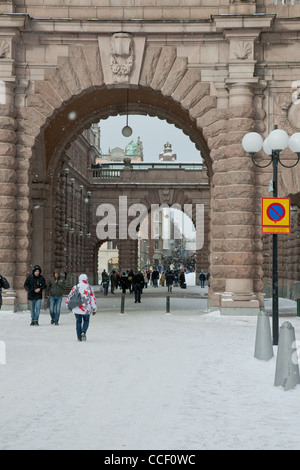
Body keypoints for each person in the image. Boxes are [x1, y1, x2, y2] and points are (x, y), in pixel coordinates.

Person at [66, 274, 97, 342]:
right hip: (86, 308)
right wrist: (94, 308)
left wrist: (68, 305)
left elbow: (70, 296)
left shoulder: (76, 287)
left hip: (77, 307)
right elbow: (92, 298)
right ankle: (84, 331)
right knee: (86, 321)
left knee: (78, 322)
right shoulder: (89, 287)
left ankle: (79, 337)